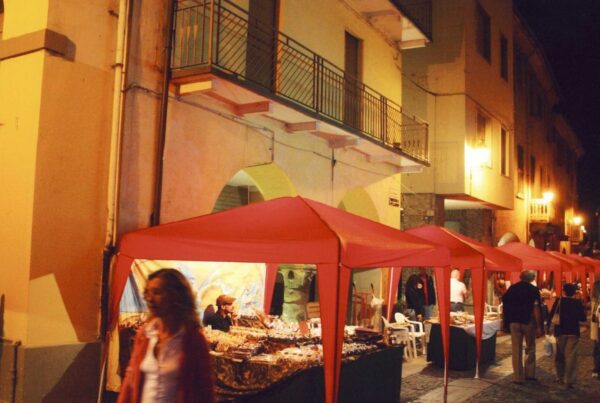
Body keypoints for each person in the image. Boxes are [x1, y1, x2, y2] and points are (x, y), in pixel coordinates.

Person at [118, 268, 215, 403]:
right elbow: (130, 379)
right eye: (147, 293)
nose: (149, 299)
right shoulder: (145, 335)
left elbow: (204, 389)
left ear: (175, 296)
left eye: (157, 292)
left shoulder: (192, 339)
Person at [502, 270, 544, 384]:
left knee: (516, 349)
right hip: (528, 321)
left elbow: (505, 302)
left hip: (514, 322)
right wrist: (539, 325)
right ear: (532, 278)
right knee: (530, 347)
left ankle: (518, 377)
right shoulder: (533, 290)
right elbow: (536, 308)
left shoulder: (512, 288)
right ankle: (530, 373)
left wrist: (505, 321)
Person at [547, 283, 587, 388]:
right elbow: (582, 318)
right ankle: (569, 380)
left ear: (564, 291)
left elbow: (551, 315)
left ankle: (560, 376)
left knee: (560, 354)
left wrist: (547, 328)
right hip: (573, 331)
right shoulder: (577, 302)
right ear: (574, 292)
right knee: (571, 356)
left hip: (560, 330)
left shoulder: (559, 301)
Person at [592, 279, 600, 378]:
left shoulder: (597, 301)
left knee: (597, 348)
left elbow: (595, 318)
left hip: (598, 328)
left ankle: (597, 369)